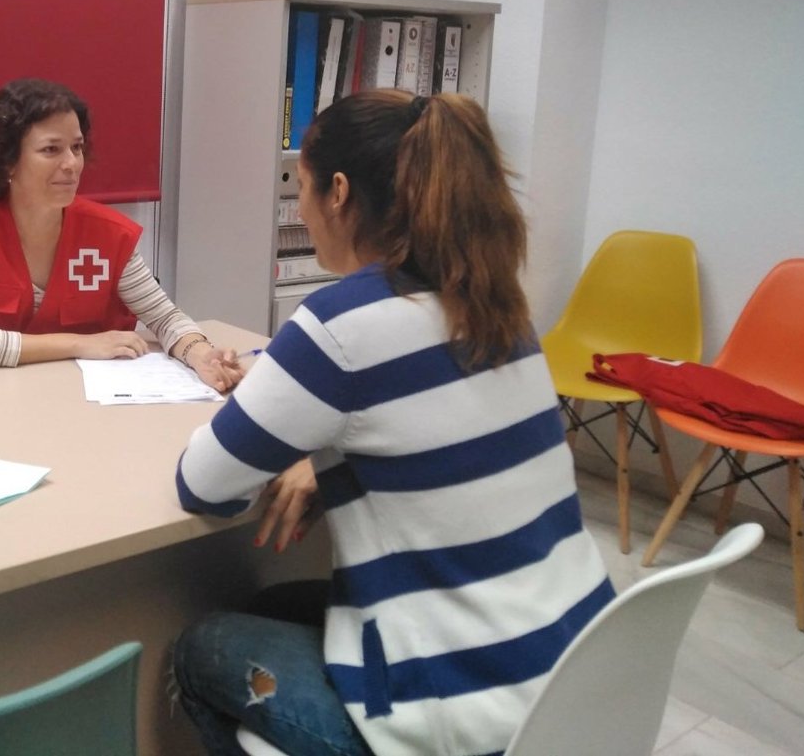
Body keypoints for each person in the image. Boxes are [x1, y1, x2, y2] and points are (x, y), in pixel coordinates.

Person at [172, 91, 615, 756]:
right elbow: (436, 439)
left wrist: (302, 449)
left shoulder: (340, 324)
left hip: (467, 723)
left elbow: (203, 484)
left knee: (202, 647)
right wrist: (325, 461)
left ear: (339, 192)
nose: (299, 208)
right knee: (275, 609)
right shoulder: (495, 304)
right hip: (571, 681)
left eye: (302, 186)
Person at [0, 78, 243, 391]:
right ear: (7, 160)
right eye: (51, 150)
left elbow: (165, 318)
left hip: (76, 402)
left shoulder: (107, 234)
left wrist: (200, 352)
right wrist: (82, 343)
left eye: (77, 147)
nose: (72, 163)